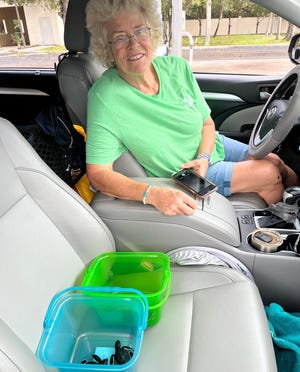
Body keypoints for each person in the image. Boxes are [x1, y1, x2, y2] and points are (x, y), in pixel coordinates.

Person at [85, 0, 298, 216]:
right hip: (186, 174)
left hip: (209, 150)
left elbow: (206, 123)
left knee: (275, 160)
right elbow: (98, 173)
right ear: (107, 46)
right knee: (269, 174)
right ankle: (277, 232)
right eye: (120, 37)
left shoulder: (177, 67)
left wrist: (204, 157)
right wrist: (151, 193)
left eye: (140, 30)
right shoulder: (105, 97)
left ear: (152, 31)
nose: (134, 44)